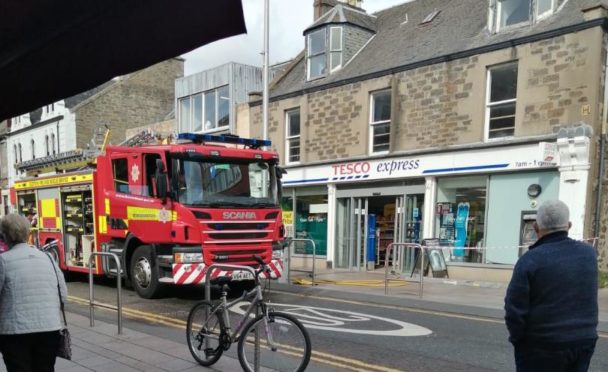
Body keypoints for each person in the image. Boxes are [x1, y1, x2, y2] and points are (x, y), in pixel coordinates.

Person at [505, 200, 598, 372]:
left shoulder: (530, 259)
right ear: (569, 225)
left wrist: (518, 339)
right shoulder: (589, 254)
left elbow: (514, 308)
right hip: (583, 340)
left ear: (535, 227)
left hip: (542, 344)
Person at [0, 213, 68, 372]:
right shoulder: (48, 258)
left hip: (15, 333)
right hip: (49, 329)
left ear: (5, 235)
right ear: (27, 233)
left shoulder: (3, 261)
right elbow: (63, 295)